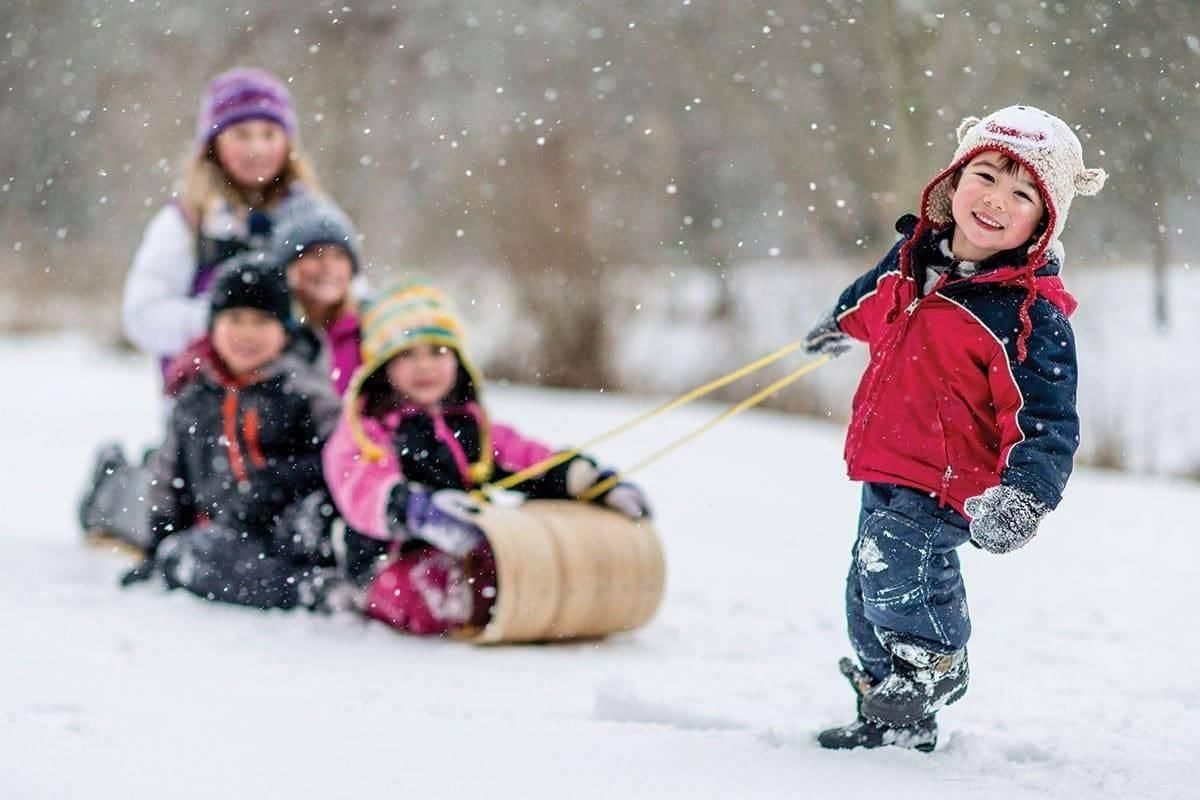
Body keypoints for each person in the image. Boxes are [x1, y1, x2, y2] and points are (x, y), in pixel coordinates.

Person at [802, 105, 1106, 752]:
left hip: (950, 480)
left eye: (1023, 193)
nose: (997, 199)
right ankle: (896, 720)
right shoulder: (914, 259)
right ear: (956, 177)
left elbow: (1046, 420)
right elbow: (871, 295)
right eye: (988, 175)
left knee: (897, 571)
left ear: (1044, 221)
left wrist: (1025, 497)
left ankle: (937, 660)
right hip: (886, 459)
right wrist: (838, 323)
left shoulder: (1027, 318)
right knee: (865, 589)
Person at [322, 280, 651, 636]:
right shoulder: (367, 428)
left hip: (468, 550)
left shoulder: (469, 424)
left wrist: (585, 479)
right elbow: (362, 485)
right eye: (407, 354)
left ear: (457, 358)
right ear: (382, 365)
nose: (425, 366)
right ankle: (367, 598)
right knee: (432, 590)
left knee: (526, 566)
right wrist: (417, 509)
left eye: (438, 351)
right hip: (388, 559)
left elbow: (525, 458)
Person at [117, 255, 350, 612]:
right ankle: (304, 590)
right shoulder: (195, 396)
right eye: (235, 319)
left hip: (288, 522)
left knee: (309, 527)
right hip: (223, 529)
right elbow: (169, 479)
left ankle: (312, 580)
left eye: (261, 321)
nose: (247, 334)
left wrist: (281, 480)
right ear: (213, 326)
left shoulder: (302, 389)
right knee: (186, 555)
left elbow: (342, 456)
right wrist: (157, 545)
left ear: (284, 330)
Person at [121, 67, 321, 370]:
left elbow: (347, 303)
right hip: (205, 402)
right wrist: (225, 321)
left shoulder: (313, 218)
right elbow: (142, 316)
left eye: (269, 134)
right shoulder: (185, 221)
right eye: (242, 135)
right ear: (214, 144)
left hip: (299, 402)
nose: (258, 148)